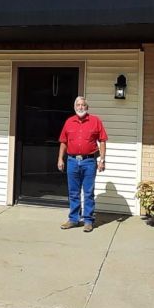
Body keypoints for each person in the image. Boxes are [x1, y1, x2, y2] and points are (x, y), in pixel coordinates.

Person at [57, 95, 108, 232]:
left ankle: (88, 221)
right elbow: (63, 141)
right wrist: (60, 159)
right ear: (75, 107)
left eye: (83, 105)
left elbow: (102, 140)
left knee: (88, 192)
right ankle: (73, 219)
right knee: (73, 192)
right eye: (78, 105)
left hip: (89, 162)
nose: (80, 107)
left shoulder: (95, 121)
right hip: (72, 161)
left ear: (87, 107)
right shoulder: (69, 122)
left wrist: (102, 160)